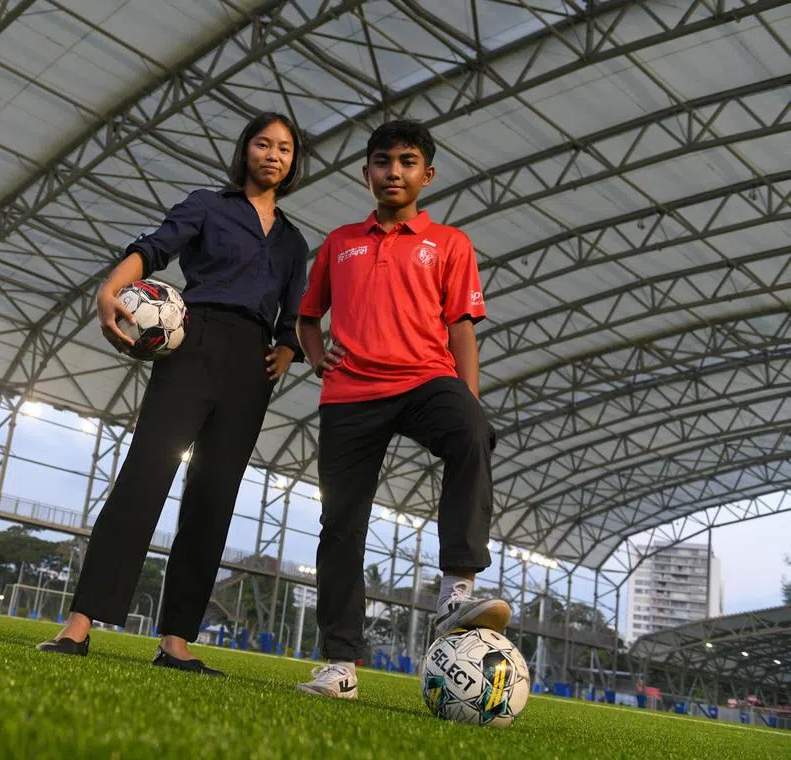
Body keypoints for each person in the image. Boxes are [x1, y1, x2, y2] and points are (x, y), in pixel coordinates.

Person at [37, 112, 309, 677]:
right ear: (246, 151)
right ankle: (80, 624)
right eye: (263, 143)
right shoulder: (208, 205)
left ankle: (177, 641)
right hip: (194, 344)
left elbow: (294, 311)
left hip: (251, 366)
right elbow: (155, 247)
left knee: (213, 500)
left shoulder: (293, 241)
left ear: (293, 161)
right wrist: (110, 287)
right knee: (144, 476)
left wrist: (286, 348)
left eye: (284, 148)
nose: (273, 154)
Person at [293, 119, 510, 700]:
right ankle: (340, 666)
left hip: (425, 380)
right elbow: (307, 316)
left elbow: (461, 328)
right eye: (383, 161)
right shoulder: (340, 242)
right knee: (340, 526)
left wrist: (467, 398)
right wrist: (317, 359)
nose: (394, 171)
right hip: (350, 394)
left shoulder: (451, 244)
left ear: (427, 174)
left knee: (473, 431)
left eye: (407, 161)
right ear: (366, 173)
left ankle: (457, 589)